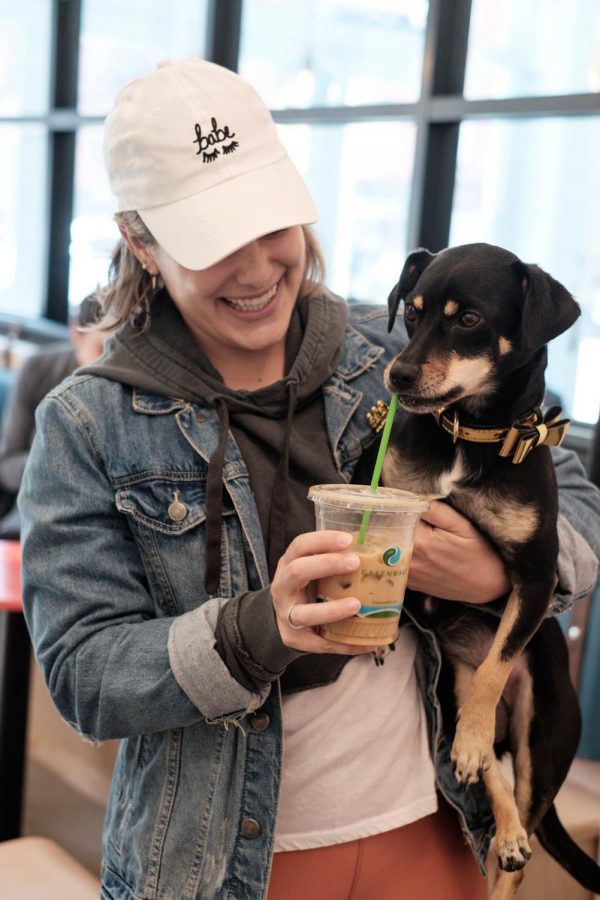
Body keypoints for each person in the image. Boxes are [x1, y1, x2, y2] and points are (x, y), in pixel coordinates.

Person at [18, 59, 600, 900]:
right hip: (218, 865)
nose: (256, 271)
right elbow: (83, 674)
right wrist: (256, 630)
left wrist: (490, 566)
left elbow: (573, 496)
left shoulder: (397, 360)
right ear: (141, 243)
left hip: (430, 828)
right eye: (213, 241)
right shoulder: (87, 424)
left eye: (271, 226)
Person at [0, 295, 104, 537]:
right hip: (35, 509)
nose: (111, 362)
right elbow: (7, 464)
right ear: (76, 334)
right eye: (103, 348)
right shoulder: (39, 369)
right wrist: (65, 470)